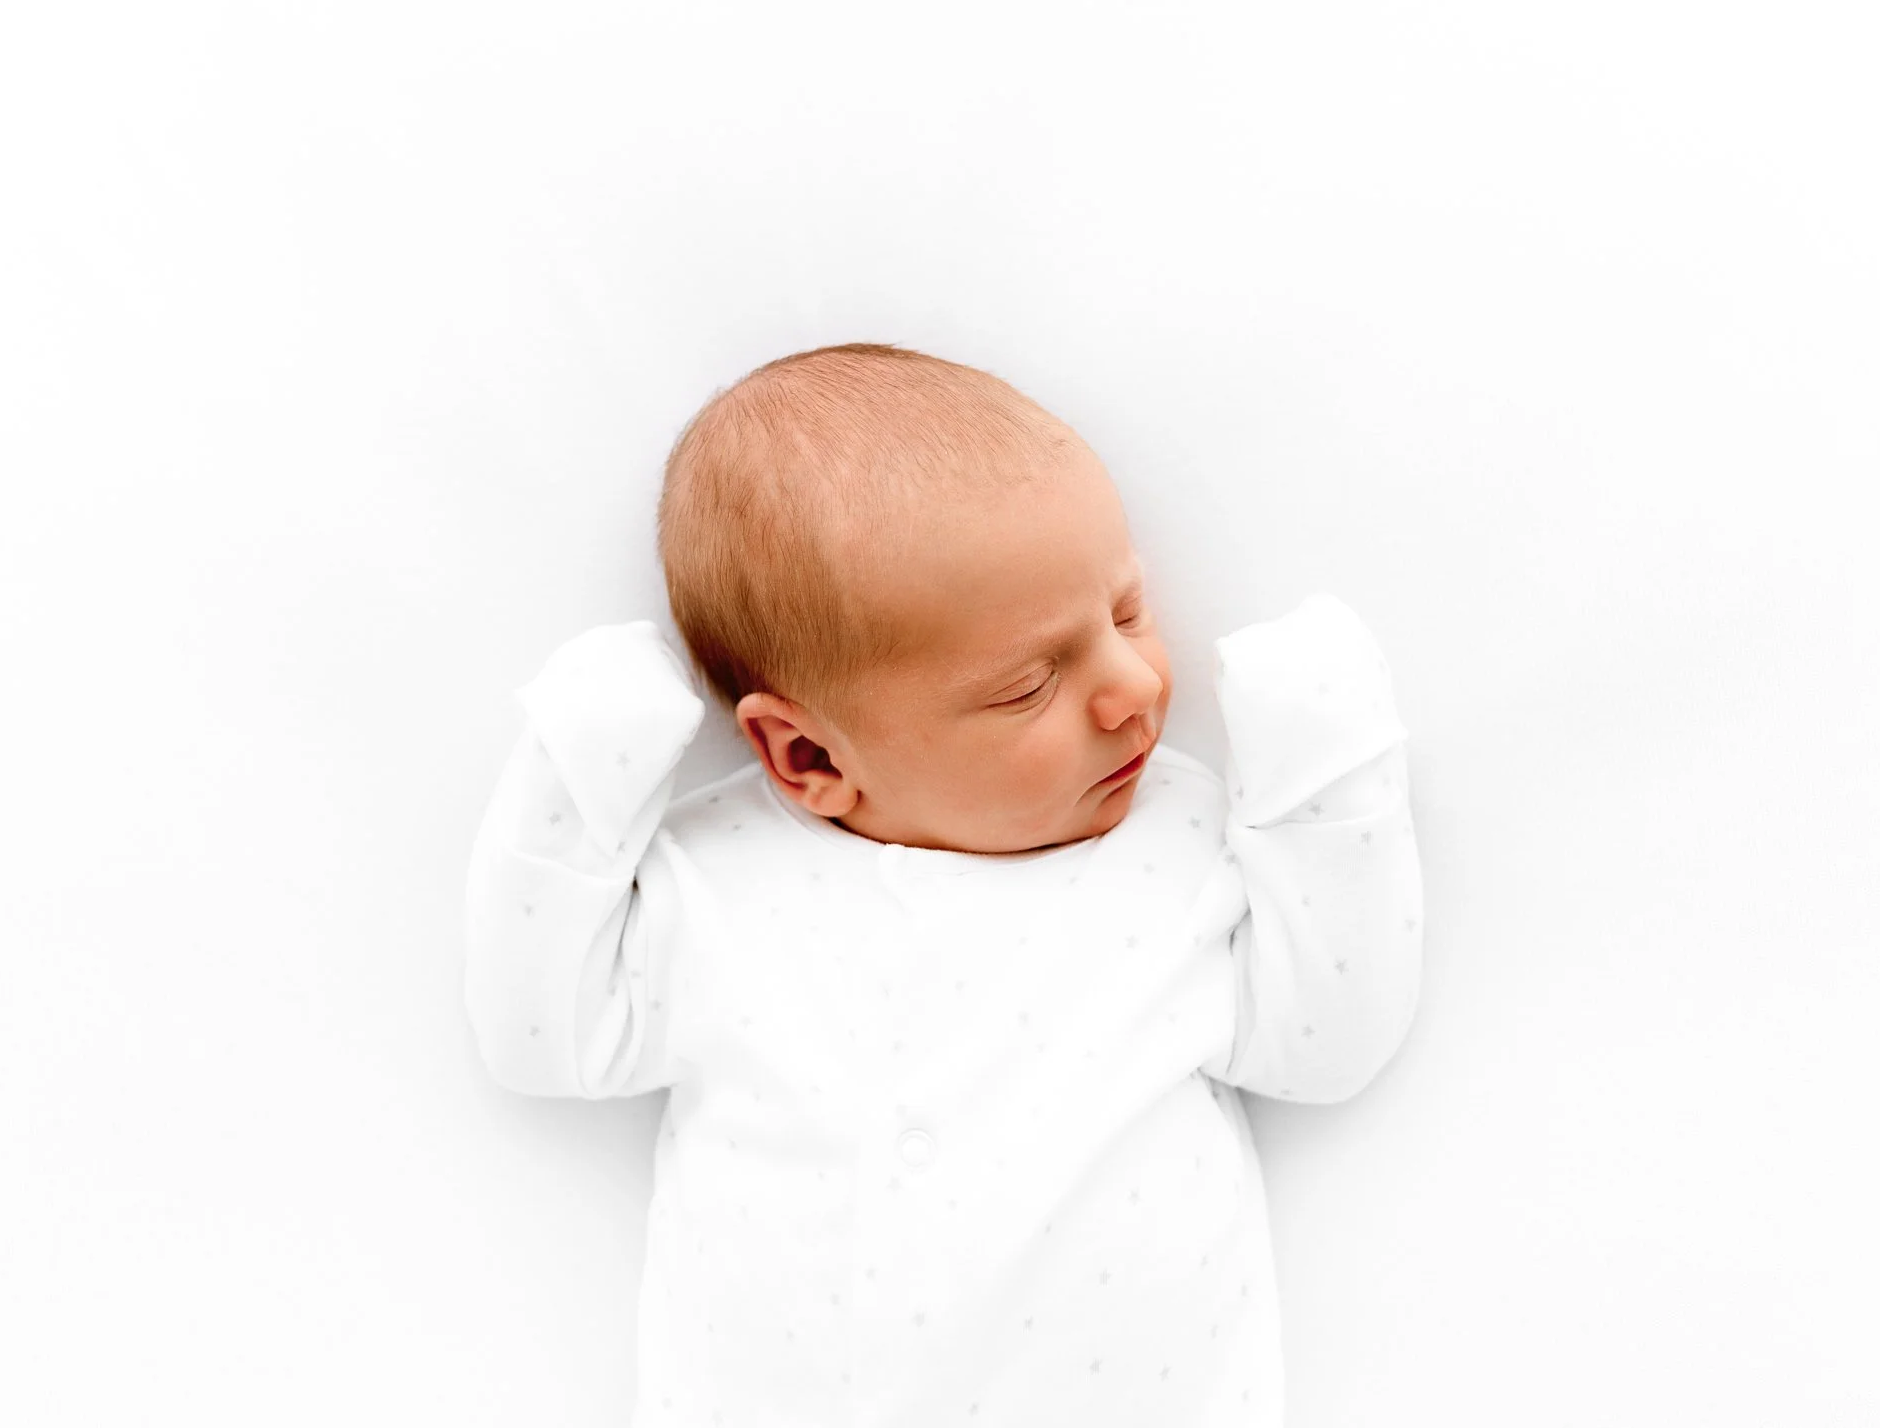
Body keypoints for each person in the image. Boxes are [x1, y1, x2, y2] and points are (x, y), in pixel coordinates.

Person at [463, 342, 1424, 1426]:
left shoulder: (1179, 838)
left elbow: (1326, 1044)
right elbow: (543, 1038)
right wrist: (578, 768)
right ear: (808, 759)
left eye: (1122, 612)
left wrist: (1324, 769)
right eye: (1028, 685)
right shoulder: (718, 879)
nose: (1135, 688)